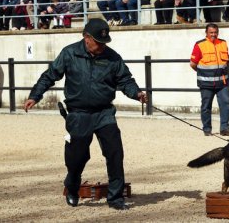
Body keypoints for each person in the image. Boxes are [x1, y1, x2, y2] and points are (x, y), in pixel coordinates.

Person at [23, 18, 148, 210]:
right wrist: (35, 96)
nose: (102, 46)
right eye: (98, 42)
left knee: (115, 153)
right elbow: (50, 76)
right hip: (78, 114)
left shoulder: (113, 57)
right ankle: (72, 187)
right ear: (86, 38)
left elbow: (125, 80)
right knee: (77, 157)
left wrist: (136, 93)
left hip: (104, 112)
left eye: (104, 42)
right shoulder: (70, 53)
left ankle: (115, 198)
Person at [189, 23, 229, 137]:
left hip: (222, 83)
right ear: (206, 33)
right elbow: (193, 64)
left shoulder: (223, 43)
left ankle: (225, 128)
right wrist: (203, 73)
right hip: (206, 82)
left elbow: (225, 62)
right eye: (211, 32)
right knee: (206, 107)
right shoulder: (200, 45)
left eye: (215, 32)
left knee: (226, 104)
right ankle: (207, 129)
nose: (213, 35)